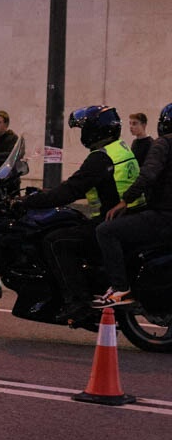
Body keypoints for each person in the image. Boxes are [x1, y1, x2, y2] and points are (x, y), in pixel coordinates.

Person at [16, 105, 142, 321]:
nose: (83, 134)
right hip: (129, 218)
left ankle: (77, 301)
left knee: (55, 241)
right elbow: (89, 184)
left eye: (85, 128)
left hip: (110, 222)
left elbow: (71, 190)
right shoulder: (120, 148)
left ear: (96, 130)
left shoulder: (100, 158)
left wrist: (29, 201)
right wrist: (49, 192)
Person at [94, 103, 172, 308]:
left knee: (105, 231)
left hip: (164, 216)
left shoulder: (164, 143)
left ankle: (120, 288)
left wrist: (125, 200)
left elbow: (148, 174)